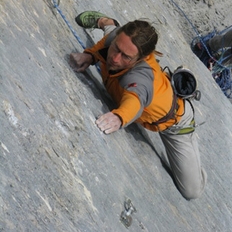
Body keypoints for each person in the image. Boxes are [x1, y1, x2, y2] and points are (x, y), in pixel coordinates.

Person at [69, 11, 206, 200]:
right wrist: (90, 56)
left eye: (125, 57)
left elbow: (136, 100)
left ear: (140, 59)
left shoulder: (139, 77)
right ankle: (106, 21)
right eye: (116, 48)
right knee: (113, 37)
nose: (115, 58)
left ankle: (191, 154)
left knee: (192, 191)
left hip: (175, 123)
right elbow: (110, 41)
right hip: (141, 84)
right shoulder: (118, 39)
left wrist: (119, 117)